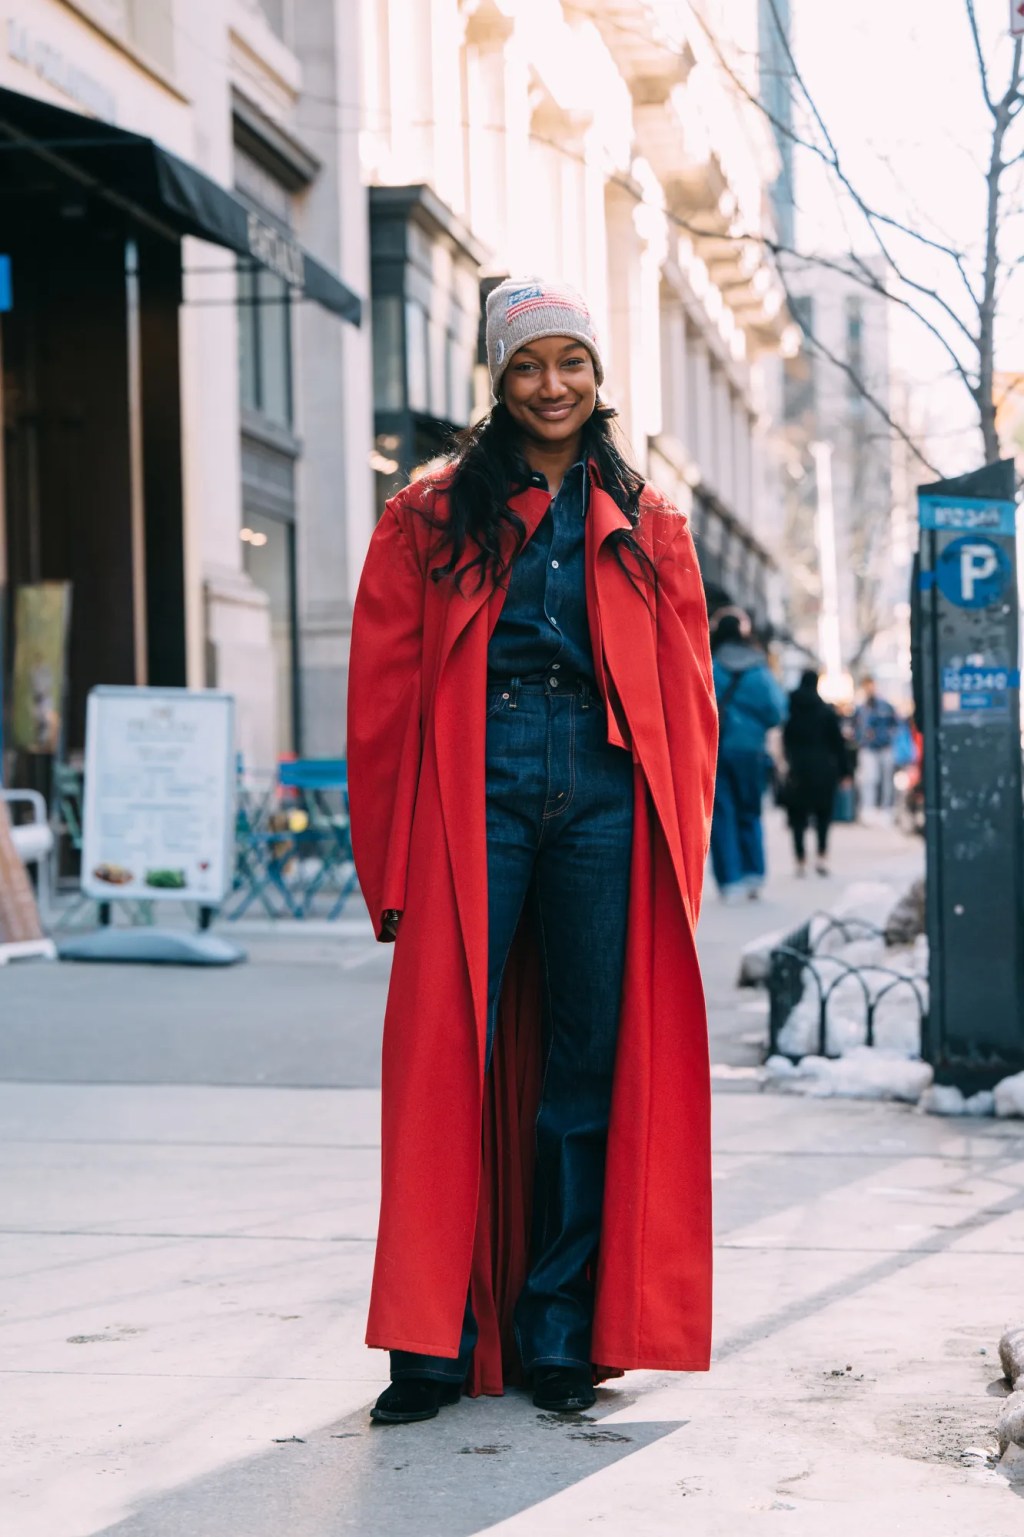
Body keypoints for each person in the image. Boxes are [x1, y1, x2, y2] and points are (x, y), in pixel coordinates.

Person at [347, 277, 717, 1427]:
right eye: (526, 365)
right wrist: (390, 861)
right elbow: (383, 693)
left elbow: (688, 692)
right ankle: (432, 1344)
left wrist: (679, 844)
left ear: (598, 378)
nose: (550, 384)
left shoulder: (647, 517)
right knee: (443, 1059)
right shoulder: (428, 513)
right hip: (478, 775)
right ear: (497, 381)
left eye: (571, 362)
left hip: (604, 787)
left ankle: (562, 1330)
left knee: (587, 1056)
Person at [709, 609, 787, 902]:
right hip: (751, 752)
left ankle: (730, 881)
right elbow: (777, 711)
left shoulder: (711, 666)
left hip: (717, 751)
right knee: (750, 811)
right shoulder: (759, 670)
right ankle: (754, 874)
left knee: (722, 813)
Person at [782, 669, 850, 877]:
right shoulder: (825, 711)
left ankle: (800, 859)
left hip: (797, 770)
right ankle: (821, 856)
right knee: (823, 816)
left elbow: (784, 740)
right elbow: (838, 744)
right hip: (823, 770)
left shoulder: (790, 710)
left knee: (798, 818)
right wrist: (845, 772)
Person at [853, 676, 898, 813]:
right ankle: (869, 807)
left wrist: (887, 736)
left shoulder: (885, 706)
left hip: (884, 746)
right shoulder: (861, 708)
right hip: (868, 747)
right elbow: (857, 727)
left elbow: (895, 725)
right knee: (870, 779)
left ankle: (886, 807)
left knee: (886, 780)